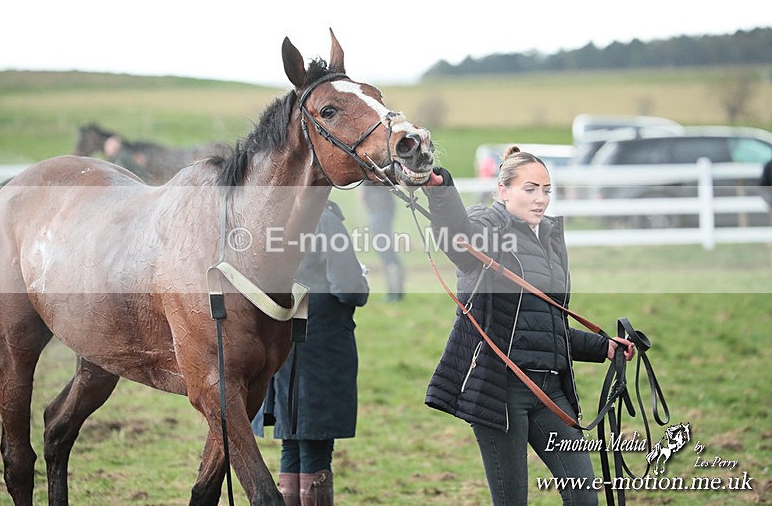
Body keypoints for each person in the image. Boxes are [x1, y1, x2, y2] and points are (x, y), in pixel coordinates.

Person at [421, 146, 635, 505]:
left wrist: (603, 347)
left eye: (547, 190)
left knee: (584, 497)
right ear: (503, 191)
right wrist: (441, 192)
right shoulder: (488, 227)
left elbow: (546, 325)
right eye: (530, 189)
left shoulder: (549, 237)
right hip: (500, 390)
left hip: (550, 388)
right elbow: (458, 239)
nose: (541, 199)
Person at [252, 200, 369, 506]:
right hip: (320, 349)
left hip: (279, 348)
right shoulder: (324, 221)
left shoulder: (271, 219)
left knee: (291, 446)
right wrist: (363, 279)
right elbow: (350, 289)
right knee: (316, 448)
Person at [360, 180, 405, 301]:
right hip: (377, 209)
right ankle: (394, 290)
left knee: (385, 250)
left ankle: (395, 291)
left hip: (380, 209)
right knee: (384, 250)